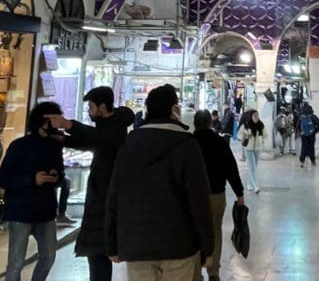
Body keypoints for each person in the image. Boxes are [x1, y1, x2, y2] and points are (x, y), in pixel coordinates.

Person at [106, 84, 213, 281]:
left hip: (136, 244)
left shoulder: (129, 145)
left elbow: (114, 195)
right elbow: (199, 200)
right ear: (174, 109)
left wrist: (111, 242)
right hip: (179, 244)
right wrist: (207, 247)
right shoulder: (187, 146)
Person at [46, 86, 136, 281]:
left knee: (99, 253)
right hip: (101, 197)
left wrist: (69, 125)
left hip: (106, 198)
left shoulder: (115, 127)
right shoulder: (109, 126)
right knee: (97, 254)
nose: (89, 111)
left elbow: (100, 139)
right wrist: (63, 139)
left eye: (91, 107)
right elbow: (94, 143)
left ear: (102, 106)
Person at [0, 102, 65, 281]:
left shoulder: (55, 146)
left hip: (46, 211)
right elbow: (3, 179)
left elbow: (60, 174)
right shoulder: (19, 146)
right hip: (20, 211)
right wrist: (33, 180)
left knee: (49, 256)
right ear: (43, 121)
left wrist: (55, 177)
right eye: (54, 120)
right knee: (16, 263)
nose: (58, 124)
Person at [193, 109, 245, 281]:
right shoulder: (219, 142)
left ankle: (195, 273)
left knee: (194, 233)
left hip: (193, 198)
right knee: (215, 231)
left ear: (194, 124)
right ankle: (213, 271)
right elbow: (231, 169)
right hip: (216, 195)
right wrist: (240, 194)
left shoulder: (188, 143)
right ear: (210, 123)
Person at [238, 109, 265, 192]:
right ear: (251, 116)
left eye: (257, 115)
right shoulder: (246, 125)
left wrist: (262, 141)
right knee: (251, 167)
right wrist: (245, 137)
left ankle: (249, 183)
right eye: (254, 116)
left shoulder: (261, 125)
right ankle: (255, 186)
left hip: (258, 148)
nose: (256, 117)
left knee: (254, 167)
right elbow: (239, 135)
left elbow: (265, 135)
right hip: (248, 148)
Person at [297, 103, 319, 167]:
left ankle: (302, 161)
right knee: (311, 147)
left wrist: (300, 131)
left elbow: (298, 125)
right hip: (311, 134)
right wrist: (315, 131)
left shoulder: (301, 117)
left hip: (303, 134)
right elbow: (318, 124)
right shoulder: (313, 116)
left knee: (304, 147)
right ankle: (313, 161)